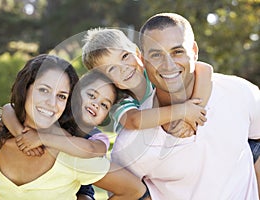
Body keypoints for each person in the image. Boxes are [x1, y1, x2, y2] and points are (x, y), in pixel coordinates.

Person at [110, 12, 260, 199]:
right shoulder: (131, 143)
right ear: (142, 59)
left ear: (194, 51)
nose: (168, 65)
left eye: (177, 52)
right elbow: (125, 193)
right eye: (156, 55)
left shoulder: (239, 92)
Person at [0, 54, 150, 200]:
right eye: (43, 90)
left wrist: (43, 138)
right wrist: (20, 134)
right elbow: (1, 191)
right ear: (25, 88)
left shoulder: (72, 150)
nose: (51, 103)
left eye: (62, 96)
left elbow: (134, 191)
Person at [1, 69, 123, 199]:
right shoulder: (55, 115)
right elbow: (8, 108)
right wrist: (21, 135)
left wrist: (42, 138)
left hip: (80, 188)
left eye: (104, 105)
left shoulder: (97, 137)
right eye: (92, 95)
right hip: (46, 181)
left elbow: (92, 149)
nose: (96, 104)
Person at [82, 28, 212, 138]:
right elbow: (135, 120)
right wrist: (182, 111)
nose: (124, 68)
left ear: (138, 53)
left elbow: (204, 68)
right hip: (134, 152)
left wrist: (193, 114)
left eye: (125, 56)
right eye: (112, 68)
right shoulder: (119, 99)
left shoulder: (154, 73)